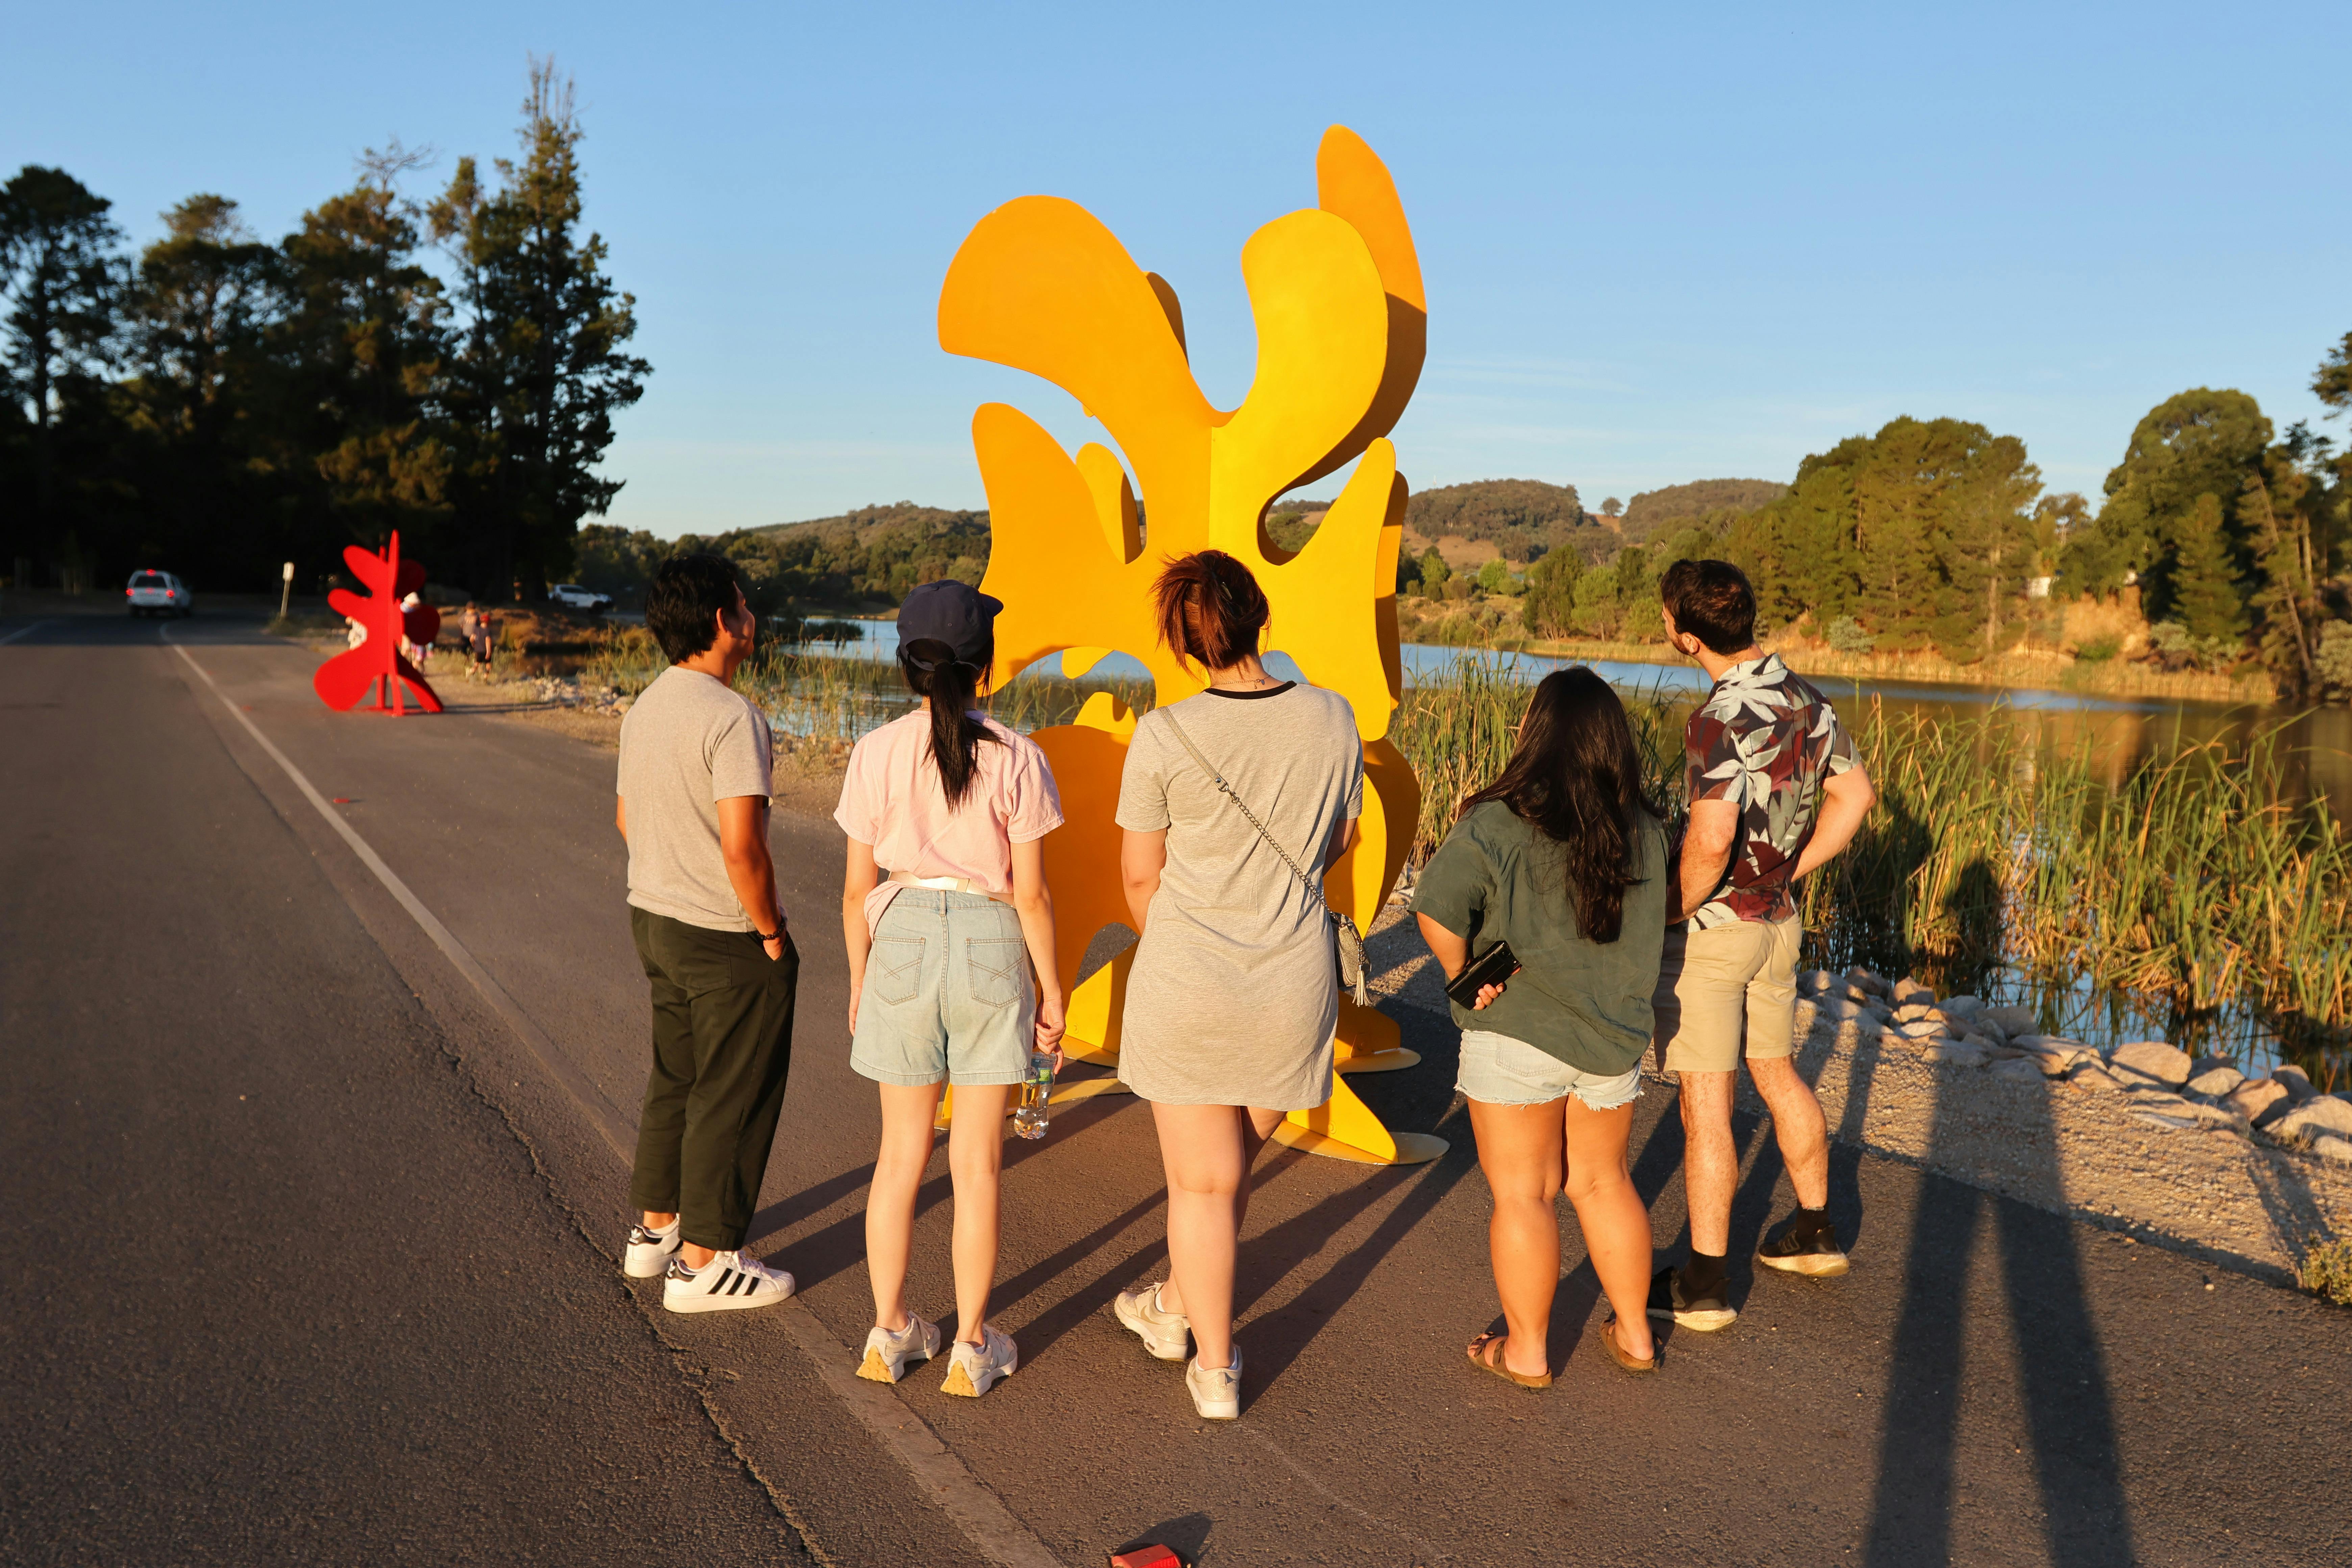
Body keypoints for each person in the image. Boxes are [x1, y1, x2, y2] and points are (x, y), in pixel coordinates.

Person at [1112, 550, 1363, 1420]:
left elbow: (1140, 881)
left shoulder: (1163, 735)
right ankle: (1176, 1304)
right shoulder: (1335, 719)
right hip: (1292, 982)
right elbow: (1339, 839)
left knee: (1205, 1181)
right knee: (1225, 1167)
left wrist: (1193, 942)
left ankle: (1212, 1365)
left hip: (1188, 980)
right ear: (1262, 616)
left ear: (1183, 646)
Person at [835, 580, 1067, 1398]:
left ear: (906, 664)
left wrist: (862, 980)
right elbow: (1033, 894)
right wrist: (1053, 989)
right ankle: (971, 1345)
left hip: (897, 934)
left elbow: (854, 888)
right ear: (985, 669)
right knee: (978, 1162)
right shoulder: (1019, 756)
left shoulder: (873, 751)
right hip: (989, 941)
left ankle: (889, 1330)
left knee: (900, 1155)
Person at [1413, 668, 1670, 1386]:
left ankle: (1526, 1350)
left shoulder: (1498, 820)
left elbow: (1435, 908)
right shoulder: (1646, 830)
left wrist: (1466, 972)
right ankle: (1637, 1333)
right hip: (1612, 1038)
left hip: (1517, 1032)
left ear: (1536, 733)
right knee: (1604, 1182)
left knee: (1524, 1195)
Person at [1648, 560, 1876, 1332]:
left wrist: (1673, 912)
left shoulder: (1718, 718)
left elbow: (1711, 837)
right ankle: (1814, 1232)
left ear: (1684, 633)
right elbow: (1856, 796)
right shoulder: (1804, 698)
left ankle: (1705, 1282)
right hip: (1779, 921)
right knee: (1777, 1072)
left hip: (1718, 933)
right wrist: (1791, 868)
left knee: (1705, 1102)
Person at [614, 554, 800, 1313]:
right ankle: (708, 1260)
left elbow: (627, 818)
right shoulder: (733, 718)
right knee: (734, 1089)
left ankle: (655, 1231)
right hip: (722, 932)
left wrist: (669, 873)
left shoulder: (646, 707)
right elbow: (742, 847)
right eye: (744, 606)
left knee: (678, 1076)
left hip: (653, 916)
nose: (752, 617)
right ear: (722, 621)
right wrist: (772, 932)